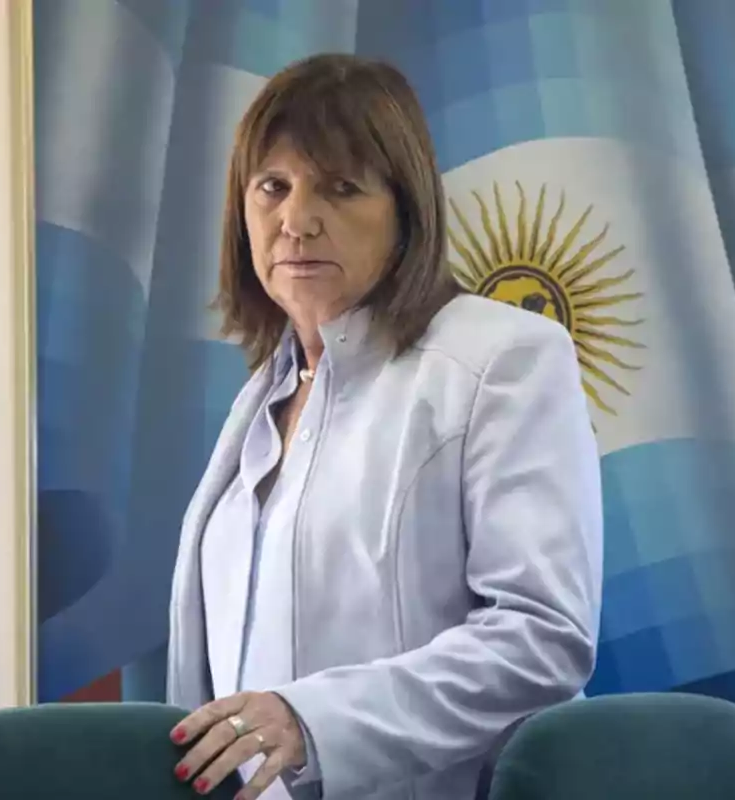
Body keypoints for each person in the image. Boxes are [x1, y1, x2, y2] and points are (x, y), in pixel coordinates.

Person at [165, 53, 603, 800]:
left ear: (406, 212)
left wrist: (313, 721)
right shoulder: (262, 396)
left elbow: (542, 636)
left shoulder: (503, 358)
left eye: (340, 187)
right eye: (273, 186)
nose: (297, 220)